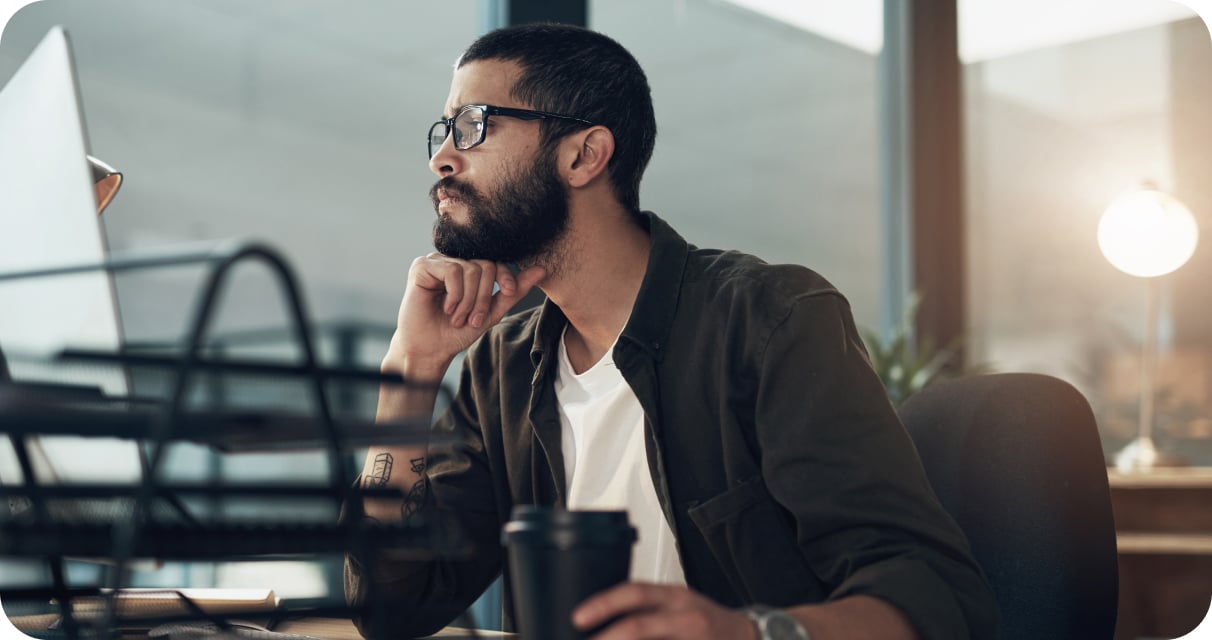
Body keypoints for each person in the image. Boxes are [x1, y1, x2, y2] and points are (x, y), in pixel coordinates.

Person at [345, 23, 998, 640]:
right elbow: (393, 605)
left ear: (583, 155)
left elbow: (930, 591)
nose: (442, 160)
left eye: (473, 126)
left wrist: (747, 633)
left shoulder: (766, 319)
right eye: (443, 131)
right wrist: (411, 370)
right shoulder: (502, 364)